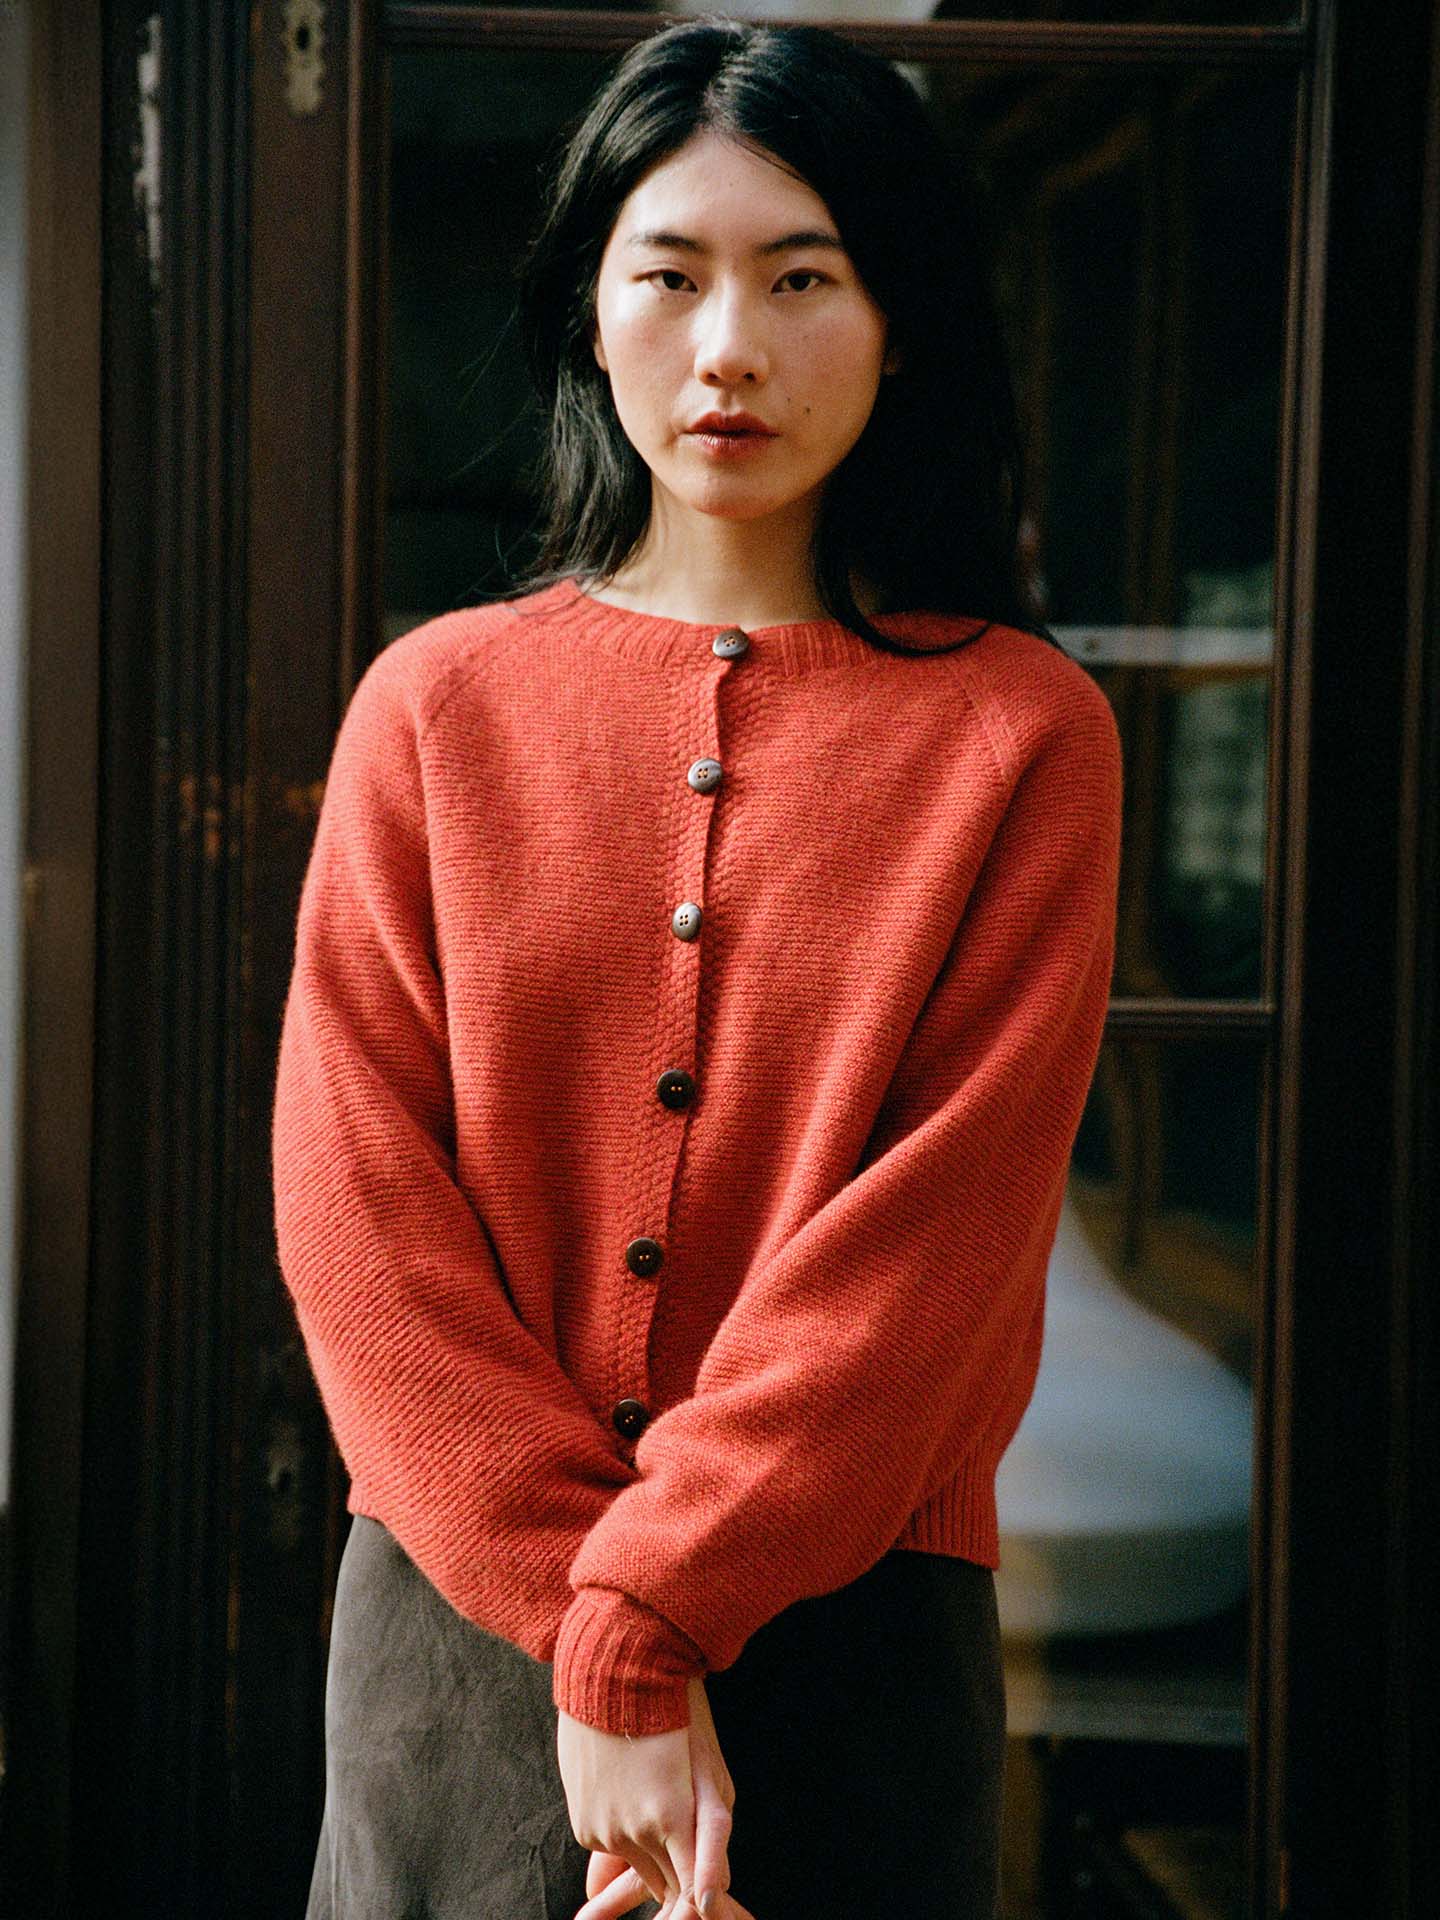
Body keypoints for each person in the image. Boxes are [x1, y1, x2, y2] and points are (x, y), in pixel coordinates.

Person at [272, 17, 1123, 1920]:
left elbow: (940, 1239)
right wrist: (590, 1626)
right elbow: (358, 1215)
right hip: (458, 1635)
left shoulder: (1021, 735)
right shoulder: (435, 708)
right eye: (670, 274)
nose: (728, 346)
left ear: (899, 326)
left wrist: (655, 1618)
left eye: (802, 279)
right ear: (592, 311)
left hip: (854, 1630)